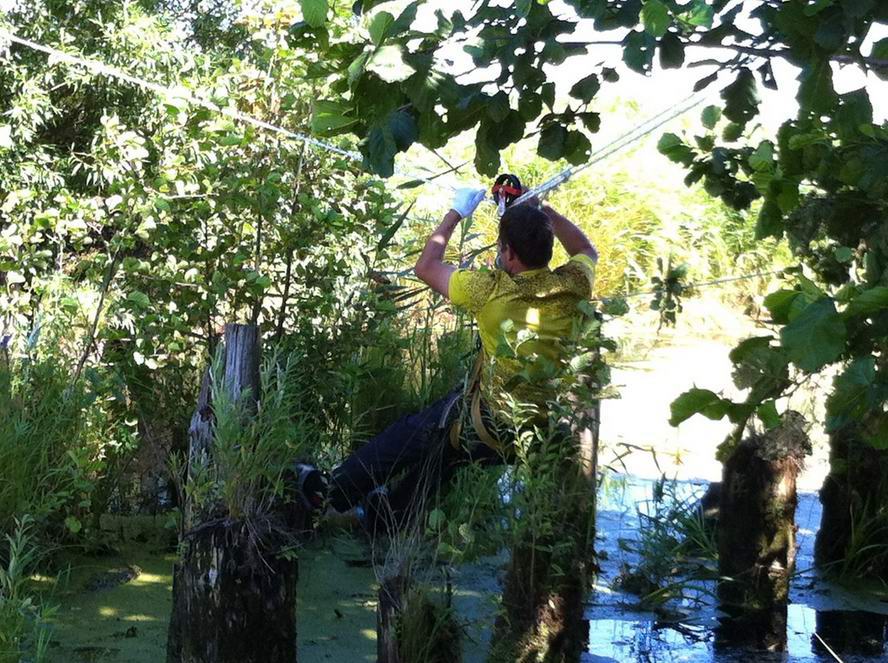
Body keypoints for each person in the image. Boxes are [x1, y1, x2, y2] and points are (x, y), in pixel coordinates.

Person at [302, 186, 598, 527]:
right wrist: (542, 207)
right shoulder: (574, 284)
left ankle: (326, 494)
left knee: (412, 433)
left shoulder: (490, 289)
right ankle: (384, 520)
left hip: (491, 423)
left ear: (510, 254)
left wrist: (456, 213)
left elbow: (426, 267)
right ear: (547, 248)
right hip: (539, 430)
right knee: (443, 456)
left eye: (503, 249)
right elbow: (585, 249)